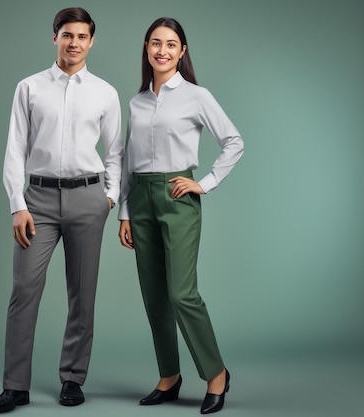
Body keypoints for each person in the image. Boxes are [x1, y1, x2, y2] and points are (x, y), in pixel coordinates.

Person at [0, 7, 122, 413]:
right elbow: (14, 149)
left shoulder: (105, 92)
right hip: (38, 202)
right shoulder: (28, 87)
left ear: (91, 41)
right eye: (67, 35)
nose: (74, 42)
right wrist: (17, 204)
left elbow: (116, 152)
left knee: (82, 295)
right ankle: (15, 386)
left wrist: (110, 198)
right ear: (54, 38)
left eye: (82, 36)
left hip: (87, 198)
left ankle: (72, 379)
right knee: (24, 291)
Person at [118, 17, 244, 414]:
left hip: (178, 197)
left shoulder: (196, 95)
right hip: (140, 198)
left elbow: (233, 141)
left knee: (181, 293)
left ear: (182, 51)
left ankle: (216, 373)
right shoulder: (137, 101)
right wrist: (124, 212)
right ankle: (169, 377)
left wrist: (203, 183)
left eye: (171, 44)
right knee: (154, 296)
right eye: (156, 43)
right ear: (146, 47)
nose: (162, 51)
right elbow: (126, 159)